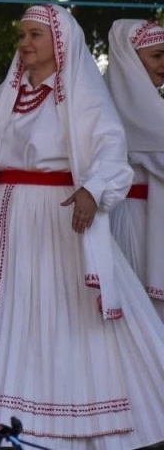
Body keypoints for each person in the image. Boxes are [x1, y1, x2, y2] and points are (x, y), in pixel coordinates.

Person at [0, 5, 164, 449]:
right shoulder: (5, 98)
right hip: (1, 227)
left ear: (60, 43)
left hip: (57, 222)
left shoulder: (83, 95)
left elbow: (112, 154)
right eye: (22, 35)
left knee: (60, 320)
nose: (25, 43)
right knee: (5, 318)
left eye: (35, 35)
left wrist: (93, 189)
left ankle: (66, 430)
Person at [105, 19, 164, 320]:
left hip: (149, 216)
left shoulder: (150, 104)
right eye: (156, 56)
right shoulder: (119, 104)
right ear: (130, 59)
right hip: (128, 219)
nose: (163, 64)